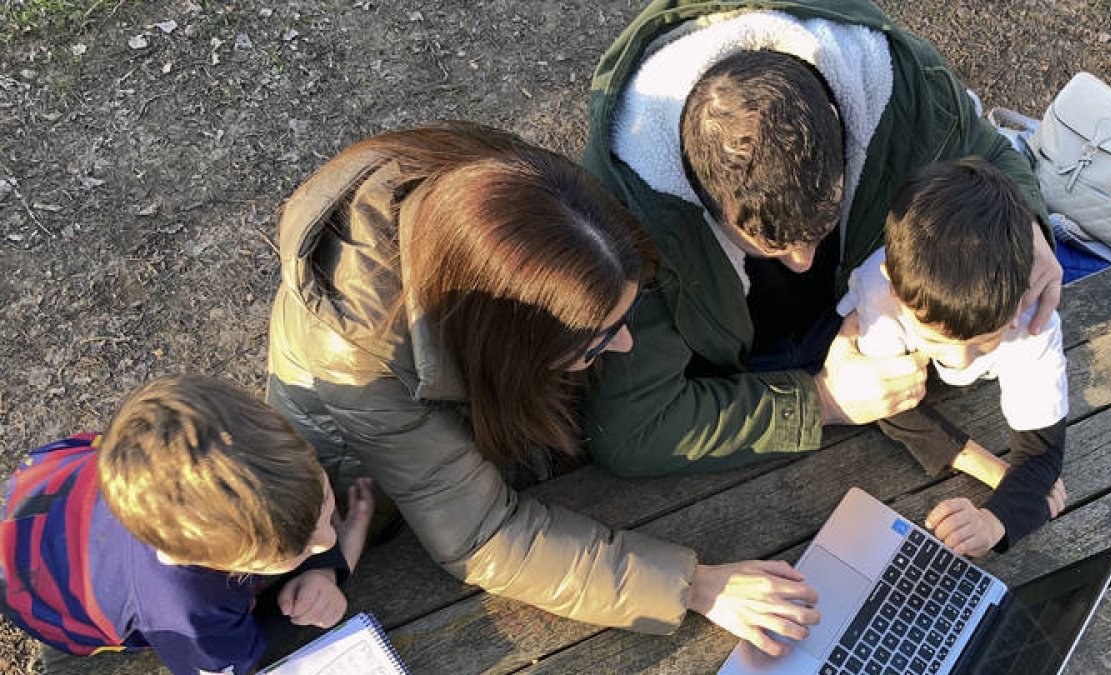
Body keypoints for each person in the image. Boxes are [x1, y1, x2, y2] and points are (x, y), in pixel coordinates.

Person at [265, 121, 820, 656]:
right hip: (364, 499)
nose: (625, 346)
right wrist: (697, 586)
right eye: (601, 337)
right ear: (511, 346)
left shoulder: (513, 188)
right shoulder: (362, 367)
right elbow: (481, 533)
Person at [580, 0, 1064, 476]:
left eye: (822, 227)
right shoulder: (627, 219)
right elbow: (631, 428)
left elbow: (987, 151)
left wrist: (1029, 223)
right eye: (769, 248)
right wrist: (821, 400)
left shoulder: (901, 87)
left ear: (837, 120)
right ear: (697, 192)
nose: (804, 263)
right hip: (745, 376)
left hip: (885, 329)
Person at [0, 375, 374, 674]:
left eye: (324, 505)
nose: (327, 539)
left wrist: (316, 562)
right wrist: (333, 568)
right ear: (184, 555)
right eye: (301, 548)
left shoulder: (256, 459)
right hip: (42, 597)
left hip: (50, 494)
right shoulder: (185, 609)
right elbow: (232, 659)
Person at [840, 158, 1069, 556]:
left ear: (1022, 299)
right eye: (935, 339)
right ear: (895, 290)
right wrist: (997, 471)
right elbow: (889, 406)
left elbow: (1042, 454)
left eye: (984, 341)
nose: (960, 361)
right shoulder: (879, 294)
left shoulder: (1034, 325)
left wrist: (992, 522)